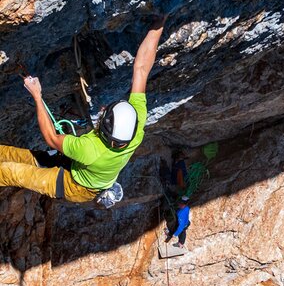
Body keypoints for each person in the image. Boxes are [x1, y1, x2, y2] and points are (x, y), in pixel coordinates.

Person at [0, 18, 166, 203]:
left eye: (104, 114)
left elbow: (51, 137)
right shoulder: (135, 123)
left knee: (11, 171)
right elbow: (142, 68)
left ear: (104, 132)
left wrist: (37, 96)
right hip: (80, 166)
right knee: (14, 156)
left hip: (75, 185)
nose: (102, 110)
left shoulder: (90, 149)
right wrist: (159, 23)